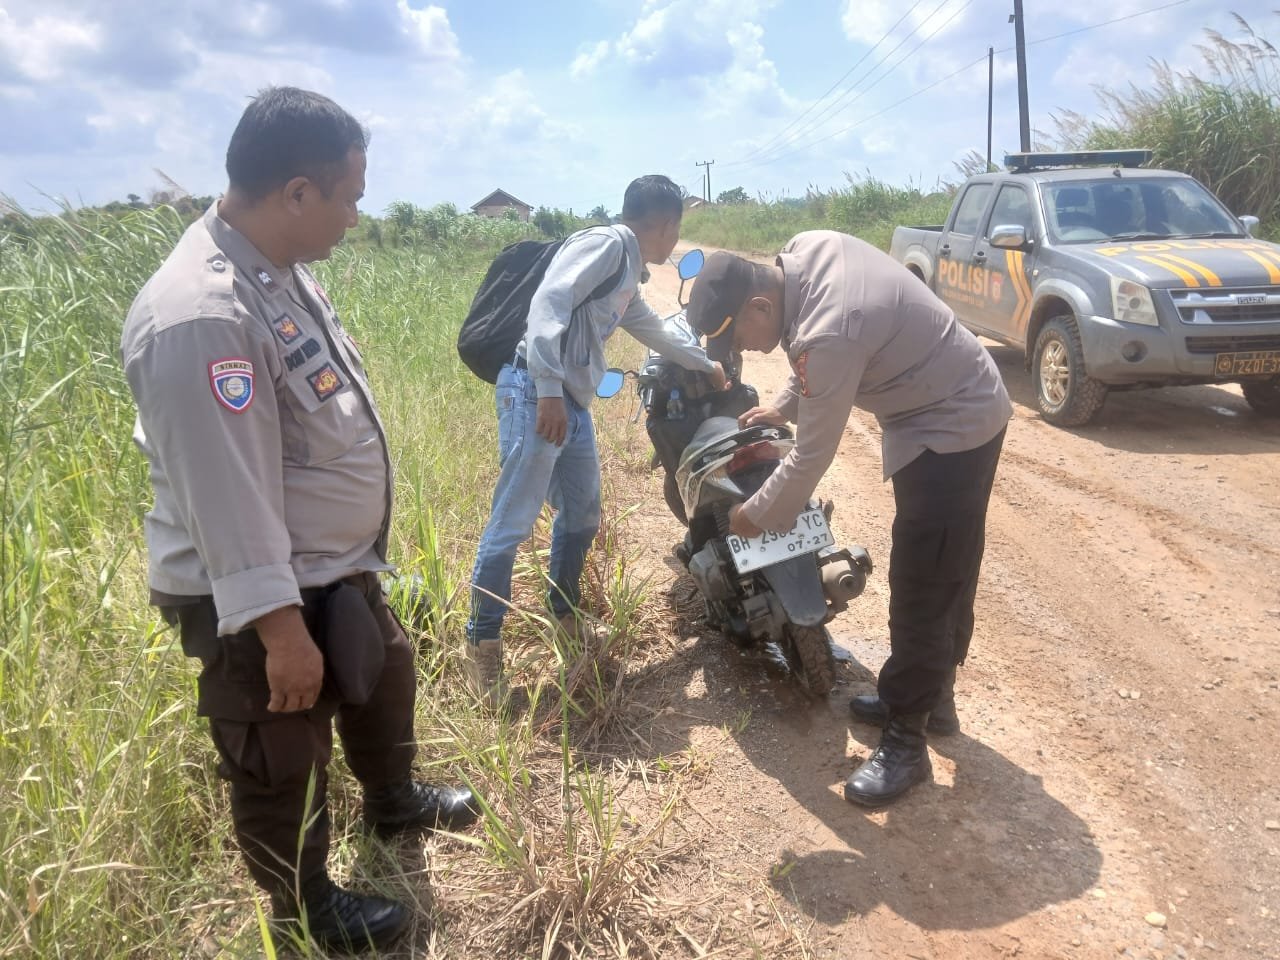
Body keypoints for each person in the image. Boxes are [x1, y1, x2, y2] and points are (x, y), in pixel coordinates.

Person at [120, 87, 479, 953]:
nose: (357, 215)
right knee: (282, 749)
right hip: (258, 589)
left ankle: (392, 807)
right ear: (296, 193)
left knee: (383, 673)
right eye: (350, 196)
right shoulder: (203, 315)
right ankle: (305, 906)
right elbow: (227, 494)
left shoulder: (278, 274)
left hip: (329, 563)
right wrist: (280, 630)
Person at [686, 233, 1012, 808]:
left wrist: (753, 515)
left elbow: (811, 454)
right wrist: (784, 403)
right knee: (951, 561)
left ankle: (906, 737)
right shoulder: (805, 253)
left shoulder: (828, 330)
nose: (752, 351)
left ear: (759, 306)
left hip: (951, 423)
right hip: (949, 398)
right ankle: (933, 696)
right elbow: (809, 350)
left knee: (926, 579)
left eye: (742, 337)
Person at [465, 175, 726, 704]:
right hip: (540, 394)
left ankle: (564, 615)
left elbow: (650, 327)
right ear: (665, 224)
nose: (675, 241)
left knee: (583, 515)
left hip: (572, 403)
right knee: (512, 522)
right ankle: (482, 651)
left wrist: (704, 363)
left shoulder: (626, 271)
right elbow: (548, 304)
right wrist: (547, 391)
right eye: (676, 229)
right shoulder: (606, 245)